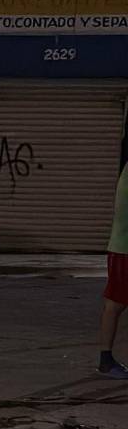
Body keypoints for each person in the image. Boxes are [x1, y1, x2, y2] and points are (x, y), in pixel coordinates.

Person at [99, 161, 128, 379]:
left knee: (115, 303)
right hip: (125, 249)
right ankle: (106, 361)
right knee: (116, 303)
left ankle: (106, 359)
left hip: (120, 247)